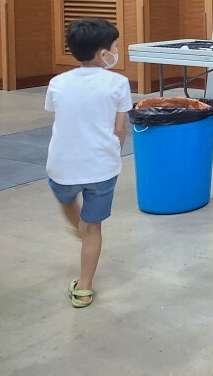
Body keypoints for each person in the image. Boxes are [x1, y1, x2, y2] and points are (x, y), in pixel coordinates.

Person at [45, 18, 132, 308]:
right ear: (102, 53)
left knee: (66, 198)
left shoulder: (57, 83)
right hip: (101, 168)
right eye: (115, 47)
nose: (117, 51)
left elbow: (58, 113)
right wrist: (112, 152)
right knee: (93, 228)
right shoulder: (118, 83)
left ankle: (76, 225)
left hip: (62, 166)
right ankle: (84, 288)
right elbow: (120, 129)